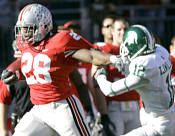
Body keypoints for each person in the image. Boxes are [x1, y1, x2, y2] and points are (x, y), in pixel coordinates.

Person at [1, 3, 121, 136]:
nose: (24, 33)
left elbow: (92, 55)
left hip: (62, 107)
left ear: (43, 27)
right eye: (22, 29)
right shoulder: (26, 46)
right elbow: (33, 64)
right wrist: (16, 71)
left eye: (28, 29)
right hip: (39, 110)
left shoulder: (60, 41)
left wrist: (115, 59)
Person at [94, 24, 175, 136]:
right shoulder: (161, 51)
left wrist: (99, 75)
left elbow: (110, 90)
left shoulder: (144, 67)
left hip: (158, 125)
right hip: (169, 116)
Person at [93, 16, 141, 136]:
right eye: (119, 29)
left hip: (135, 107)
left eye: (125, 29)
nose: (123, 32)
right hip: (114, 108)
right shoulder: (104, 49)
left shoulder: (136, 50)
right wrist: (103, 113)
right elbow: (95, 82)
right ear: (112, 31)